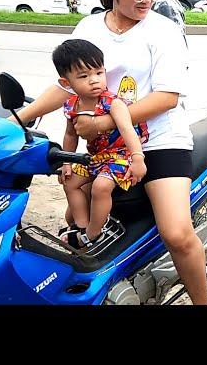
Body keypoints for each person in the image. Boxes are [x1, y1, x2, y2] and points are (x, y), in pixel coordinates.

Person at [15, 0, 207, 305]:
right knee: (73, 217)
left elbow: (167, 96)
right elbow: (65, 84)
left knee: (177, 233)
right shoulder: (89, 27)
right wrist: (17, 119)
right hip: (104, 148)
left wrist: (104, 121)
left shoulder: (163, 31)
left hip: (160, 141)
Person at [53, 39, 148, 248]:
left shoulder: (113, 103)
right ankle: (81, 225)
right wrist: (66, 162)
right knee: (69, 181)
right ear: (66, 83)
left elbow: (127, 130)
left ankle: (95, 233)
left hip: (121, 155)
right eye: (84, 76)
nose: (94, 80)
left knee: (101, 186)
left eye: (99, 73)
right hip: (96, 158)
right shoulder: (71, 106)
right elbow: (71, 135)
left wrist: (137, 158)